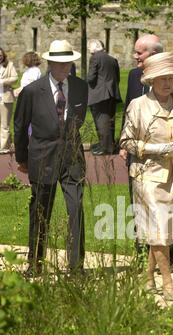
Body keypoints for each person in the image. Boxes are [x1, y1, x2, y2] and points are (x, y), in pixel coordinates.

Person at [120, 52, 173, 301]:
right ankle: (168, 284)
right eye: (162, 78)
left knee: (162, 231)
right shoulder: (138, 105)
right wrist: (154, 149)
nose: (167, 83)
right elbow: (126, 141)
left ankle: (147, 277)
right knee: (159, 232)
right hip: (147, 176)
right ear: (151, 80)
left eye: (171, 78)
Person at [14, 40, 88, 277]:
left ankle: (76, 266)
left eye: (69, 63)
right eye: (60, 63)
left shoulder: (80, 87)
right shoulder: (32, 91)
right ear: (50, 63)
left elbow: (80, 121)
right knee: (40, 211)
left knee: (76, 209)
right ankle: (35, 264)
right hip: (42, 158)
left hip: (73, 159)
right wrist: (22, 158)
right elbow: (20, 126)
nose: (66, 68)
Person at [87, 39, 122, 156]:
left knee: (102, 121)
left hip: (100, 94)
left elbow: (91, 78)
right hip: (112, 92)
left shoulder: (95, 58)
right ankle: (108, 145)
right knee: (109, 120)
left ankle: (106, 148)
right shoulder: (112, 59)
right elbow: (117, 77)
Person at [0, 47, 18, 153]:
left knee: (5, 124)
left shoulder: (9, 65)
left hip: (5, 98)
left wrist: (2, 82)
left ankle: (3, 148)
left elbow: (15, 78)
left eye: (1, 55)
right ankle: (6, 144)